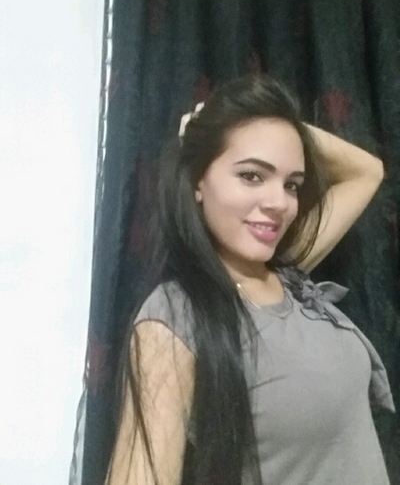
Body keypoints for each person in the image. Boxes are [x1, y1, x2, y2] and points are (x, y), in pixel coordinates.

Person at [106, 75, 395, 485]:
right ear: (197, 180)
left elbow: (367, 171)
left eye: (291, 184)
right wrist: (219, 123)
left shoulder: (288, 273)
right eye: (252, 176)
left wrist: (274, 124)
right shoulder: (174, 317)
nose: (280, 203)